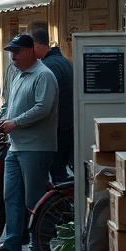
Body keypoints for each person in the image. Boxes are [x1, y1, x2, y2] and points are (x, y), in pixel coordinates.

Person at [0, 34, 59, 251]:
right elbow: (11, 104)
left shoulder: (44, 75)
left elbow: (42, 108)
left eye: (16, 52)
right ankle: (12, 245)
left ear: (29, 51)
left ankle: (40, 247)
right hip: (15, 146)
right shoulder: (17, 74)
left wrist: (15, 122)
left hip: (36, 147)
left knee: (34, 199)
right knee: (12, 196)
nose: (12, 56)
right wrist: (1, 120)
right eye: (11, 52)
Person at [32, 28, 74, 183]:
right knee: (59, 168)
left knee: (56, 170)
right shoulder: (64, 61)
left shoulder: (48, 67)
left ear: (36, 46)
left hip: (57, 126)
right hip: (67, 124)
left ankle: (61, 204)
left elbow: (43, 101)